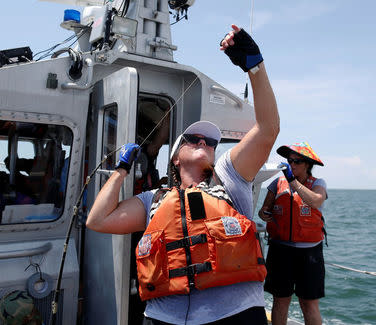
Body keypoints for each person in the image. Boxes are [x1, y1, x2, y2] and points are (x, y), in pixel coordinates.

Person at [86, 24, 279, 325]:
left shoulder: (230, 178)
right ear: (175, 158)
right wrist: (121, 170)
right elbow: (97, 220)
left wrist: (255, 67)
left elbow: (268, 129)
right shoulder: (154, 199)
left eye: (211, 142)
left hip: (237, 315)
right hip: (166, 318)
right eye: (194, 139)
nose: (204, 143)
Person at [258, 142, 327, 325]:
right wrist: (265, 214)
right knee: (280, 301)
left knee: (309, 303)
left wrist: (292, 181)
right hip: (280, 250)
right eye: (290, 161)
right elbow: (264, 209)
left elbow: (315, 201)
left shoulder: (318, 184)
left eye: (297, 161)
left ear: (307, 165)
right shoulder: (277, 183)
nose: (292, 164)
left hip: (310, 253)